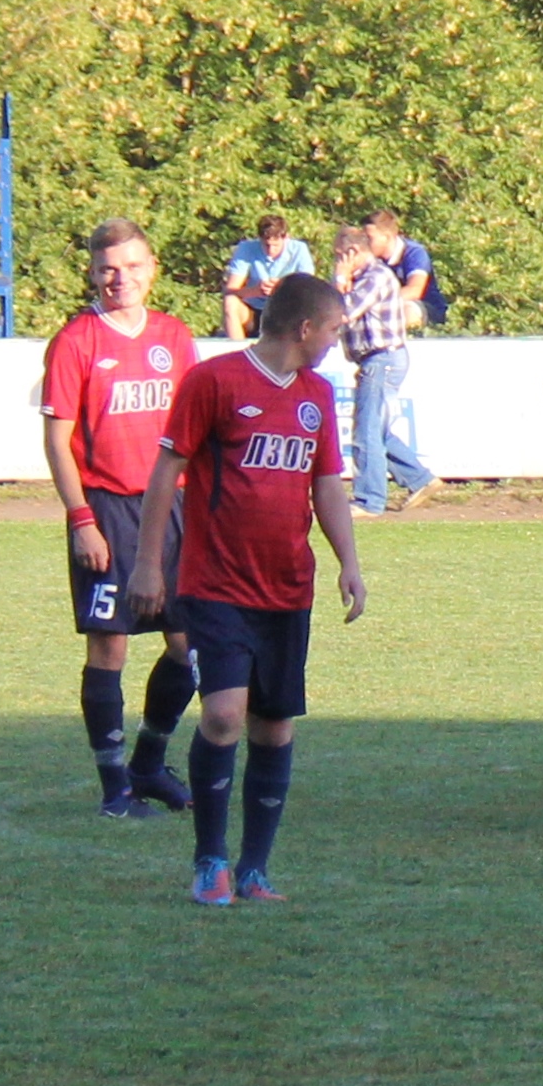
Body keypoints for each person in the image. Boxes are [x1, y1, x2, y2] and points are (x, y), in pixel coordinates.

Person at [128, 272, 365, 907]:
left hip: (287, 587)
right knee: (223, 714)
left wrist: (348, 562)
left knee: (274, 727)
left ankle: (255, 868)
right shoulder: (214, 382)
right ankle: (210, 860)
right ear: (305, 328)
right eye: (334, 330)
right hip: (216, 584)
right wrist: (148, 563)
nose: (337, 342)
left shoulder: (316, 394)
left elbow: (326, 483)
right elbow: (167, 470)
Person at [42, 221, 203, 817]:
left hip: (175, 506)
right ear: (92, 272)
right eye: (109, 268)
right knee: (110, 647)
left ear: (151, 268)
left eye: (132, 266)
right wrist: (82, 519)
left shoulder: (173, 335)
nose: (121, 278)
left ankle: (148, 763)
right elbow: (57, 441)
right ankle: (115, 789)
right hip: (108, 509)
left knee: (188, 645)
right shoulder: (76, 340)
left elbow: (193, 428)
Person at [331, 226, 435, 516]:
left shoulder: (375, 277)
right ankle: (420, 479)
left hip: (382, 359)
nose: (337, 261)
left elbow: (342, 313)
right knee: (376, 428)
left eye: (339, 255)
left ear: (353, 251)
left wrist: (339, 279)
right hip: (378, 360)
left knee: (366, 431)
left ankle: (369, 500)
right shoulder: (361, 278)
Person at [221, 213, 313, 340]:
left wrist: (281, 288)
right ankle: (238, 348)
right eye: (266, 245)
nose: (270, 251)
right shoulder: (246, 248)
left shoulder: (299, 249)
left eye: (276, 245)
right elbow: (230, 289)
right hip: (253, 312)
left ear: (286, 238)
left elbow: (308, 287)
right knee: (230, 302)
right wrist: (255, 291)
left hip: (284, 312)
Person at [365, 211, 446, 330]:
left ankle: (410, 337)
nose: (365, 243)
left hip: (425, 306)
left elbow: (414, 290)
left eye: (369, 238)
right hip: (386, 304)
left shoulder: (414, 253)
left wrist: (374, 302)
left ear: (387, 237)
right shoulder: (369, 258)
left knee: (406, 310)